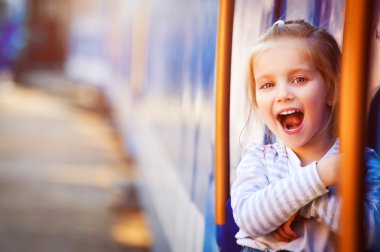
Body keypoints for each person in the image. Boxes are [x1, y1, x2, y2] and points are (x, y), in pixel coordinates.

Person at [231, 19, 380, 252]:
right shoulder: (260, 158)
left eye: (299, 79)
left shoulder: (359, 162)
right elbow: (249, 218)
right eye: (267, 84)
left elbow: (374, 235)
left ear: (331, 91)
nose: (282, 94)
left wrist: (307, 204)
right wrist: (320, 177)